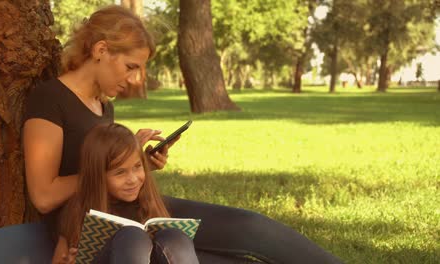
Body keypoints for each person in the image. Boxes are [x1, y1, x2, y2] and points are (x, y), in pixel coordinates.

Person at [23, 5, 342, 264]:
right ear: (101, 50)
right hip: (90, 227)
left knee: (248, 227)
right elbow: (44, 196)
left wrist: (137, 163)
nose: (135, 79)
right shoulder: (50, 99)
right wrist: (110, 167)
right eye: (131, 66)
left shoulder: (103, 106)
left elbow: (107, 164)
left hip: (131, 209)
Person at [51, 123, 199, 263]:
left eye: (137, 167)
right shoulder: (77, 211)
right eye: (120, 172)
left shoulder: (148, 203)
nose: (133, 179)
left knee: (175, 237)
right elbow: (59, 260)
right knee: (132, 236)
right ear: (98, 176)